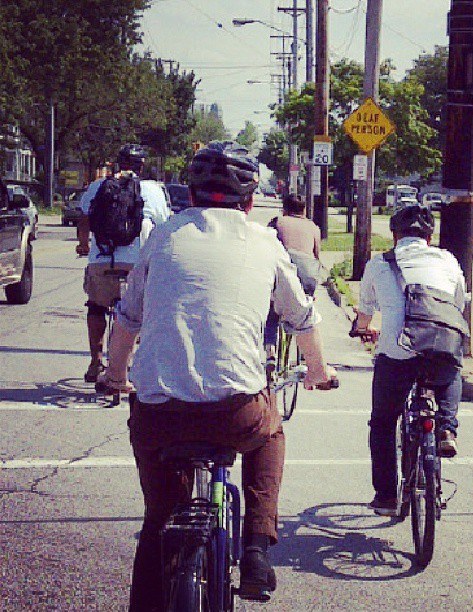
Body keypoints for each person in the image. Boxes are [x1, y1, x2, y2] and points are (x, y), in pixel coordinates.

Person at [97, 144, 337, 610]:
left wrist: (115, 375)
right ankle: (256, 548)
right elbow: (302, 317)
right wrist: (318, 371)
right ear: (250, 201)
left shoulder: (163, 237)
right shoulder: (265, 243)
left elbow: (128, 318)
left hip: (159, 415)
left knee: (158, 521)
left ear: (190, 194)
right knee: (270, 431)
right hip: (236, 414)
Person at [352, 205, 466, 516]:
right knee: (451, 368)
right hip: (441, 343)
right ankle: (446, 429)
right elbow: (458, 303)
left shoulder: (379, 264)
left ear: (394, 235)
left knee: (383, 422)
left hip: (399, 349)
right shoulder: (447, 260)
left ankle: (386, 497)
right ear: (429, 237)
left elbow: (365, 311)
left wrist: (363, 329)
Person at [76, 144, 170, 383]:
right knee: (142, 312)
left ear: (119, 163)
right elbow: (163, 226)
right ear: (141, 166)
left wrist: (83, 245)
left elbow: (84, 218)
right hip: (136, 264)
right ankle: (136, 362)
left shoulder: (98, 186)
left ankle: (95, 362)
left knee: (96, 307)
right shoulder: (152, 190)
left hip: (101, 261)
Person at [264, 194, 321, 365]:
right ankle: (305, 354)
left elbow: (266, 248)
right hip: (308, 273)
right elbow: (316, 256)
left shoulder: (277, 222)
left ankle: (270, 352)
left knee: (272, 312)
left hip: (284, 269)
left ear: (284, 209)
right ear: (304, 210)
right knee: (305, 314)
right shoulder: (314, 227)